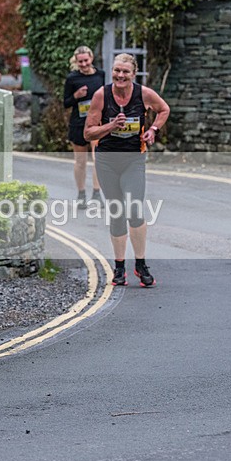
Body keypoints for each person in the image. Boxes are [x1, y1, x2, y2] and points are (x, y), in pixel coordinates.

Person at [84, 53, 169, 288]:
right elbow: (88, 133)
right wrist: (111, 126)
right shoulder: (102, 95)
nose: (120, 75)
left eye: (125, 72)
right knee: (117, 211)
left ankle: (140, 264)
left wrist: (152, 129)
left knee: (135, 208)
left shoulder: (144, 94)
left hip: (133, 158)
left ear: (133, 74)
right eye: (117, 71)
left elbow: (164, 109)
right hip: (107, 160)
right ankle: (119, 267)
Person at [63, 46, 105, 209]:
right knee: (80, 162)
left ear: (91, 58)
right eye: (80, 61)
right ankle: (81, 194)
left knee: (98, 159)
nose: (83, 64)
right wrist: (76, 96)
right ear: (76, 61)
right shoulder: (72, 78)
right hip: (79, 124)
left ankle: (96, 192)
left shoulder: (100, 75)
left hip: (96, 123)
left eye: (86, 60)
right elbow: (66, 103)